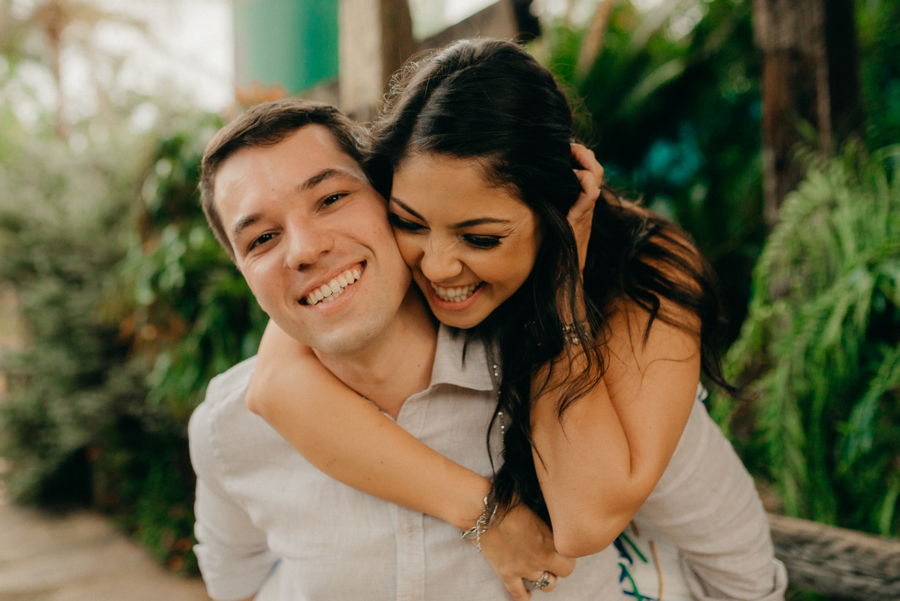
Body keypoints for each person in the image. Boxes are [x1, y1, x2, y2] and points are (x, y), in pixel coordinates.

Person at [245, 39, 788, 600]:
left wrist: (562, 282)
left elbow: (583, 521)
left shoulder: (644, 272)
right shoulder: (386, 261)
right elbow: (275, 386)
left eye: (480, 238)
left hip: (716, 584)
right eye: (410, 223)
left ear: (557, 212)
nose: (437, 266)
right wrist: (484, 512)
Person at [190, 98, 645, 601]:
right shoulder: (227, 428)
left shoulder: (574, 355)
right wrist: (485, 512)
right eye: (262, 238)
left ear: (391, 197)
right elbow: (237, 586)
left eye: (331, 198)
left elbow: (715, 546)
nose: (303, 250)